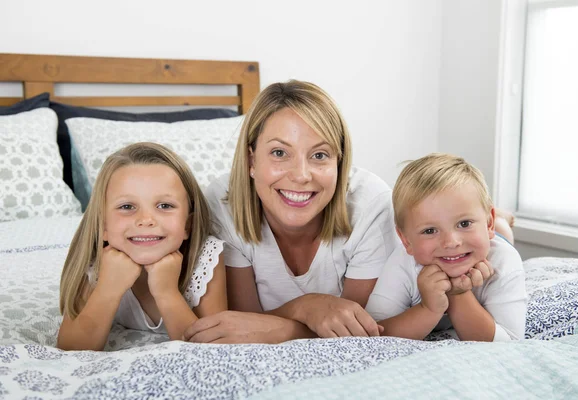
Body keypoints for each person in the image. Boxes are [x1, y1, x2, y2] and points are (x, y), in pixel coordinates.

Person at [182, 80, 401, 344]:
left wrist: (289, 327)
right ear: (251, 160)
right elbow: (242, 321)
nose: (300, 176)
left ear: (339, 162)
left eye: (319, 155)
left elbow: (360, 329)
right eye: (279, 152)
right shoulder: (222, 204)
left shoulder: (371, 205)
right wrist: (306, 307)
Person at [57, 142, 227, 351]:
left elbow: (212, 349)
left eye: (165, 206)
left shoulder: (205, 258)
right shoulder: (96, 261)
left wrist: (167, 292)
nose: (146, 220)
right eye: (127, 207)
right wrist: (108, 288)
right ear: (103, 225)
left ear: (187, 225)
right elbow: (71, 348)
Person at [365, 153, 526, 342]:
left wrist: (458, 294)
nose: (451, 242)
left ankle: (499, 221)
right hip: (478, 239)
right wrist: (428, 308)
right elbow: (375, 332)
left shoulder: (503, 260)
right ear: (406, 241)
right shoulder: (402, 263)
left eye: (464, 223)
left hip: (493, 240)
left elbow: (509, 344)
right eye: (430, 230)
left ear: (486, 223)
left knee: (503, 233)